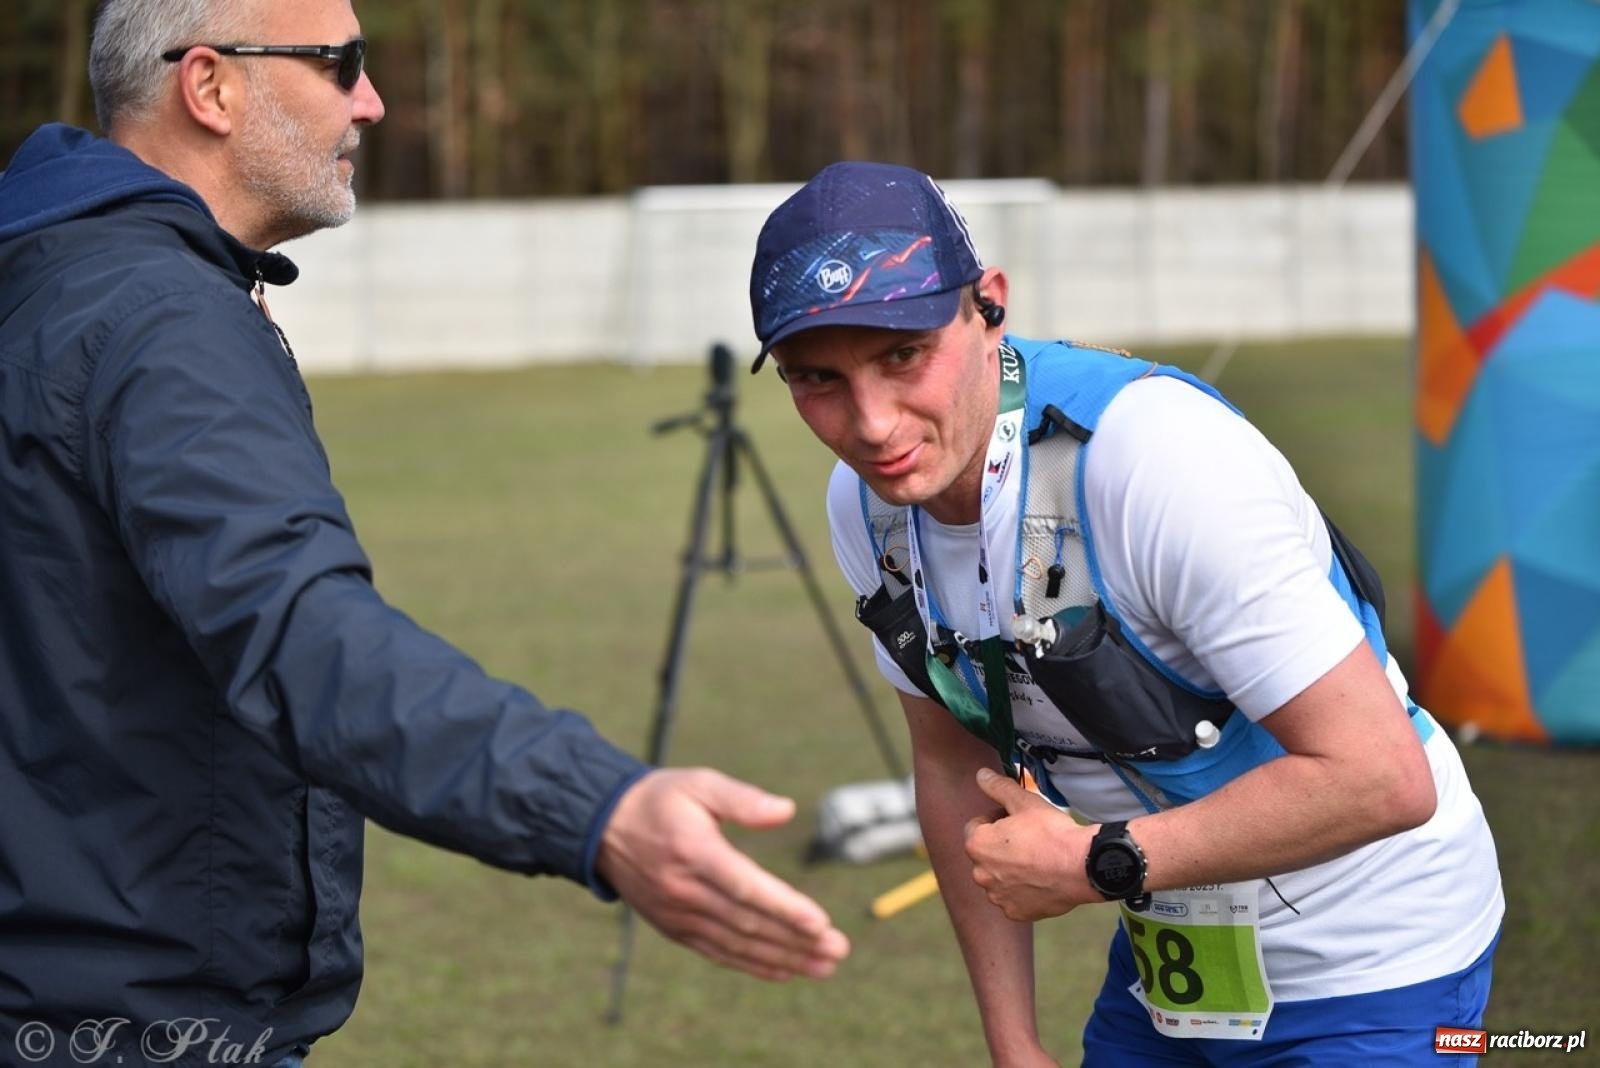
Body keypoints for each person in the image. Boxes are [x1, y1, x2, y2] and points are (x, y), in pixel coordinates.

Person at [0, 2, 848, 1066]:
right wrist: (596, 807)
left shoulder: (49, 273)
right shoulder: (159, 319)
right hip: (125, 1016)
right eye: (339, 63)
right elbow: (301, 634)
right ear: (209, 85)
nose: (371, 102)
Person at [748, 161, 1503, 1066]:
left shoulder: (1156, 461)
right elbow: (953, 766)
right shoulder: (869, 506)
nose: (872, 425)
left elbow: (1381, 778)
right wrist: (1013, 1042)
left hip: (1378, 965)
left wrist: (1093, 862)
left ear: (989, 307)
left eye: (902, 356)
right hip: (1174, 971)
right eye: (816, 379)